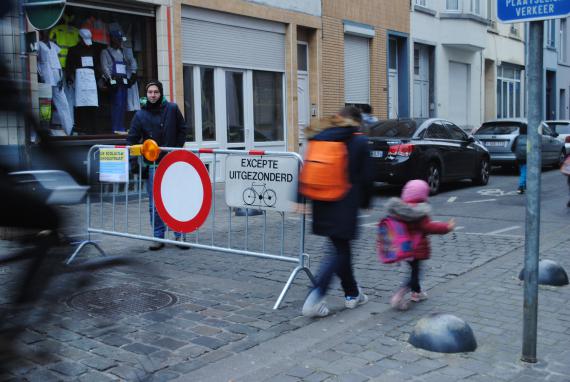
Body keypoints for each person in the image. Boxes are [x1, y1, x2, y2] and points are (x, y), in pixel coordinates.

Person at [301, 106, 375, 318]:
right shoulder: (359, 141)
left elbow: (306, 166)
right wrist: (367, 201)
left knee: (340, 248)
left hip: (321, 201)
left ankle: (352, 293)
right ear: (357, 122)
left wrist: (301, 197)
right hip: (344, 203)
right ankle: (315, 296)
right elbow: (368, 177)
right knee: (338, 253)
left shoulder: (321, 137)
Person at [127, 81, 188, 251]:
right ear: (146, 94)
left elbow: (183, 130)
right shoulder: (140, 115)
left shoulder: (172, 109)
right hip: (151, 165)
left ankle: (179, 235)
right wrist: (134, 164)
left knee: (174, 199)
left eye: (155, 92)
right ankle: (158, 237)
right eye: (150, 92)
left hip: (171, 163)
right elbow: (131, 140)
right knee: (154, 204)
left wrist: (174, 150)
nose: (152, 95)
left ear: (161, 93)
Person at [386, 179, 455, 310]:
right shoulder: (420, 212)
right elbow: (430, 227)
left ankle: (416, 293)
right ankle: (399, 295)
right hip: (416, 250)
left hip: (403, 248)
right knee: (416, 273)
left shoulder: (400, 210)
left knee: (414, 271)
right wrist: (447, 227)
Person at [37, 30, 74, 136]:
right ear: (40, 34)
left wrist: (61, 78)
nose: (47, 35)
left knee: (64, 104)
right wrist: (41, 77)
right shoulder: (39, 45)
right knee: (45, 106)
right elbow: (37, 62)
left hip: (57, 79)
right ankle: (44, 131)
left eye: (48, 33)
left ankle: (69, 129)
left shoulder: (53, 45)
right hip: (46, 79)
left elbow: (58, 63)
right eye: (45, 33)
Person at [65, 29, 100, 134]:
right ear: (79, 38)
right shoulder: (73, 50)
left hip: (91, 79)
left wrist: (99, 77)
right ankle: (81, 127)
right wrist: (69, 77)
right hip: (79, 78)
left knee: (92, 103)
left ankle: (93, 128)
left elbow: (97, 65)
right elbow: (69, 65)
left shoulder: (93, 50)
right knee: (80, 103)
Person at [101, 30, 135, 134]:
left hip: (123, 80)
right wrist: (110, 79)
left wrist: (129, 77)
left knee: (123, 104)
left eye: (120, 40)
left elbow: (129, 65)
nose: (120, 42)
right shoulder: (105, 52)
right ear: (113, 39)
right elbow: (104, 67)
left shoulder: (122, 52)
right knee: (116, 104)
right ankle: (115, 128)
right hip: (114, 81)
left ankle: (121, 127)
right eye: (118, 39)